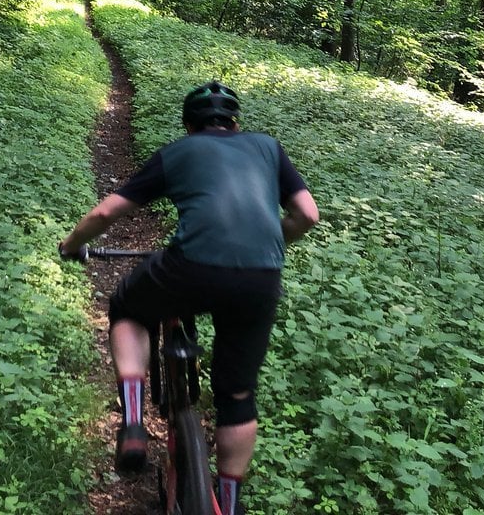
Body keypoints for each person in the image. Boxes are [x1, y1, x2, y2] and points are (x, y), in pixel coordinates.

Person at [59, 80, 319, 515]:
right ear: (236, 123)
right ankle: (229, 504)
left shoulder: (178, 152)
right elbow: (307, 215)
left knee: (128, 308)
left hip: (192, 266)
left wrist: (70, 246)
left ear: (187, 124)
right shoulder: (268, 149)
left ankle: (135, 423)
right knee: (238, 396)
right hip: (262, 276)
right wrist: (267, 246)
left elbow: (107, 212)